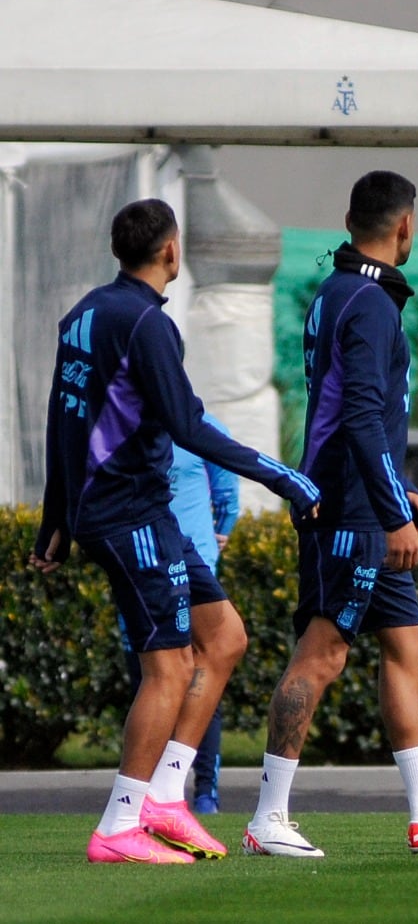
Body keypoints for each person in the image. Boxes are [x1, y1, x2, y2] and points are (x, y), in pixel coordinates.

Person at [31, 198, 321, 866]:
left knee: (224, 639)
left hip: (133, 512)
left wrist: (54, 519)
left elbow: (61, 419)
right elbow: (189, 427)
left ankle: (165, 799)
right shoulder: (146, 326)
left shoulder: (85, 315)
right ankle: (118, 825)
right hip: (128, 513)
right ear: (171, 250)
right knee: (169, 666)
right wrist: (288, 479)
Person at [243, 171, 418, 858]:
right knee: (323, 654)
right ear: (405, 226)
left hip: (364, 500)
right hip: (350, 514)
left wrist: (402, 491)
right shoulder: (371, 301)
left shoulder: (339, 290)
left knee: (407, 644)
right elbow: (357, 418)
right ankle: (268, 817)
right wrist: (392, 512)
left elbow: (365, 414)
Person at [118, 411, 241, 815]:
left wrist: (214, 537)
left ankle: (200, 792)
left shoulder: (200, 424)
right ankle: (148, 796)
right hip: (150, 555)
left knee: (197, 669)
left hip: (187, 559)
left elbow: (228, 497)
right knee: (158, 677)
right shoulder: (130, 424)